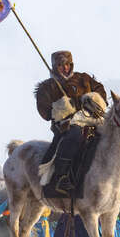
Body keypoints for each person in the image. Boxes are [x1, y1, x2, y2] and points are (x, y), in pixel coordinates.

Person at [34, 50, 106, 195]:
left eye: (67, 64)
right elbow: (45, 113)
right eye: (61, 65)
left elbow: (101, 92)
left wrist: (91, 99)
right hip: (65, 126)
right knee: (75, 135)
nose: (65, 68)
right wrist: (60, 107)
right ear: (55, 66)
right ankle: (61, 176)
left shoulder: (83, 79)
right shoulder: (47, 87)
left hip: (90, 119)